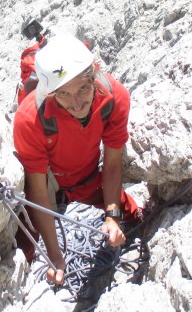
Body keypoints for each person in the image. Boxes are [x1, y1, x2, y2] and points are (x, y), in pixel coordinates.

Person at [12, 33, 140, 285]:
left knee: (134, 217)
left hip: (88, 179)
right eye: (64, 94)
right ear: (50, 94)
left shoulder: (115, 98)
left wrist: (112, 216)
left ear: (93, 76)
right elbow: (38, 191)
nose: (78, 102)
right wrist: (55, 256)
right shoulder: (29, 119)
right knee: (22, 247)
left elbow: (112, 162)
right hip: (50, 187)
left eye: (83, 87)